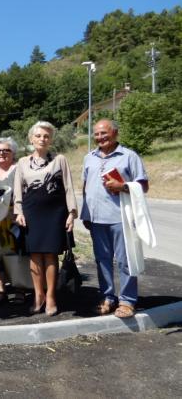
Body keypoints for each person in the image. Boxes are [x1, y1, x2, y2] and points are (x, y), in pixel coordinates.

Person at [81, 119, 149, 319]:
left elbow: (143, 185)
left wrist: (123, 187)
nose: (100, 137)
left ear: (115, 133)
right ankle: (107, 297)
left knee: (125, 260)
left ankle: (127, 301)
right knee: (102, 260)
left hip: (121, 218)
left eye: (104, 133)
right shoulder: (89, 158)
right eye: (96, 134)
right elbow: (86, 188)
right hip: (96, 219)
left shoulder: (129, 156)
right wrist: (86, 214)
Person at [14, 121, 77, 317]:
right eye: (39, 135)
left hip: (55, 213)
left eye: (46, 136)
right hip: (32, 213)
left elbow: (68, 187)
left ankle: (51, 296)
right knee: (34, 256)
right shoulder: (23, 162)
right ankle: (38, 295)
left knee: (51, 255)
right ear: (31, 138)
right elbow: (18, 191)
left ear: (51, 139)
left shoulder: (59, 159)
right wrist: (19, 212)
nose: (42, 139)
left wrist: (72, 213)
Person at [0, 137, 27, 306]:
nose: (2, 154)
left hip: (14, 219)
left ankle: (19, 288)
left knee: (17, 255)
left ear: (13, 153)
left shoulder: (19, 169)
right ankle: (0, 289)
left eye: (6, 151)